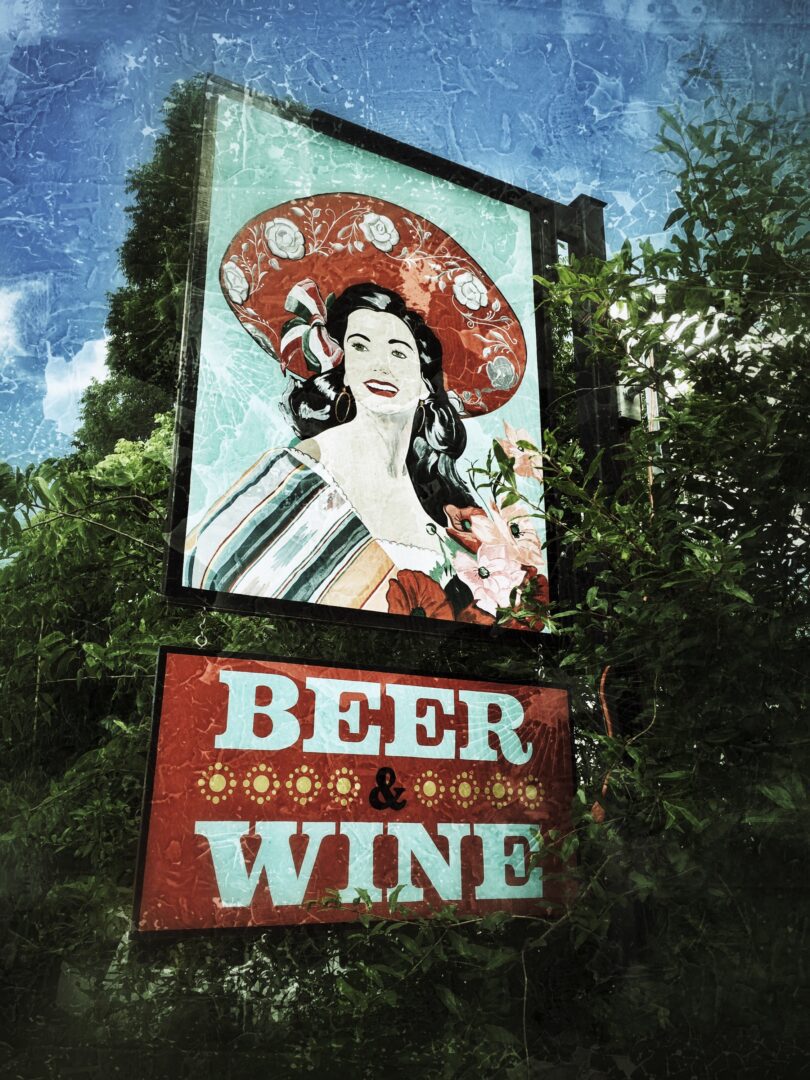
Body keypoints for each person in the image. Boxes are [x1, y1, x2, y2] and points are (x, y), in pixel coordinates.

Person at [184, 192, 533, 620]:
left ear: (426, 385)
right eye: (360, 346)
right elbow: (214, 576)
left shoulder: (448, 508)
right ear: (343, 368)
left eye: (399, 352)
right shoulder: (293, 474)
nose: (380, 365)